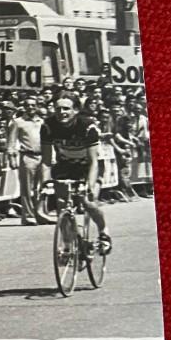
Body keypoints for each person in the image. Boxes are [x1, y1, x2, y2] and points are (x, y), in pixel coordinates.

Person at [41, 93, 111, 254]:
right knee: (61, 204)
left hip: (90, 165)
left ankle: (103, 232)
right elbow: (45, 160)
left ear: (76, 110)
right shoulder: (48, 126)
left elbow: (94, 161)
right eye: (58, 108)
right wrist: (44, 183)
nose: (61, 112)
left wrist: (90, 186)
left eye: (66, 108)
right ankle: (69, 244)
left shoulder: (87, 127)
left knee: (87, 201)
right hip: (66, 164)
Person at [7, 96, 48, 225]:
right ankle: (28, 216)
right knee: (27, 188)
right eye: (28, 105)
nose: (30, 108)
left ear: (37, 107)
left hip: (42, 156)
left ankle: (40, 213)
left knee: (42, 188)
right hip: (27, 156)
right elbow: (11, 141)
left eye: (33, 105)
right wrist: (11, 157)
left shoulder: (41, 121)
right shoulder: (18, 122)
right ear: (24, 107)